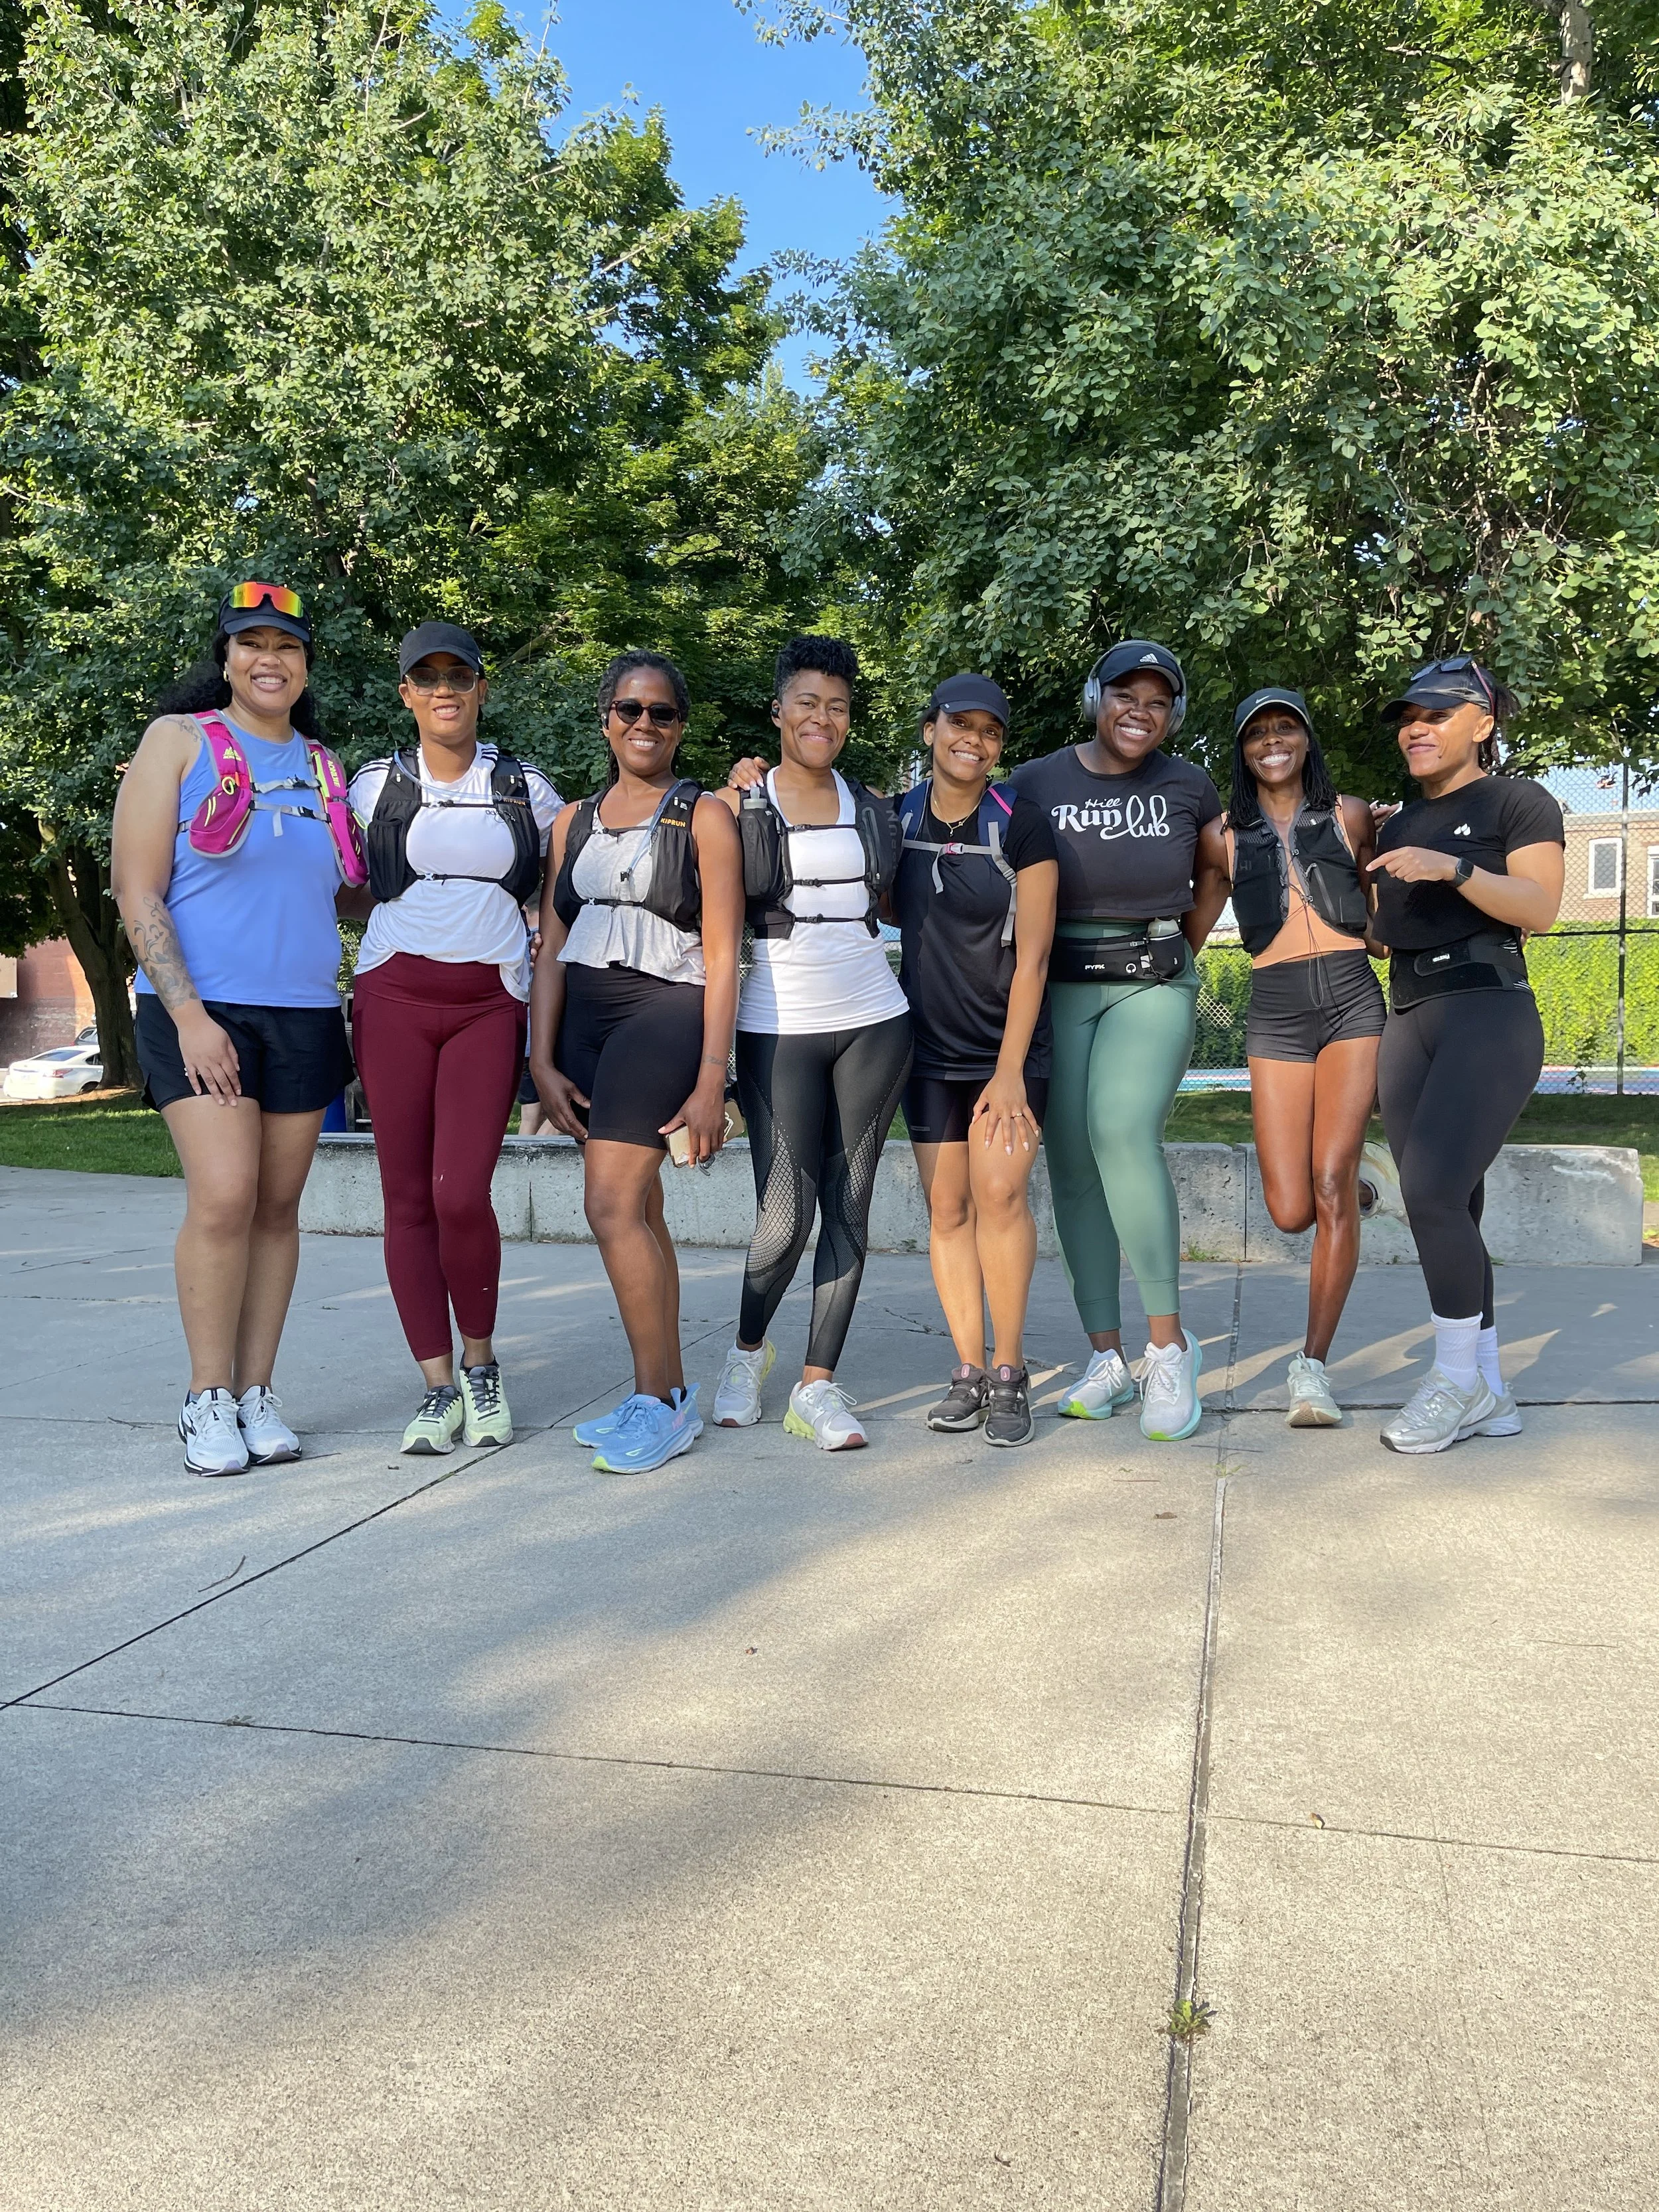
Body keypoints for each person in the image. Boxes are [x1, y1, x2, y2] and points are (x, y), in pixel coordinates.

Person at [111, 582, 360, 1476]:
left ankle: (258, 1393)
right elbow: (137, 889)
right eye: (251, 643)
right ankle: (205, 1397)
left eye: (287, 646)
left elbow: (349, 888)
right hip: (201, 1009)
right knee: (223, 1198)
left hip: (302, 1008)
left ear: (304, 665)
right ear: (223, 658)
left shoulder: (326, 767)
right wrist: (188, 1015)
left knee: (278, 1208)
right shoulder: (177, 742)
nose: (270, 659)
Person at [348, 623, 561, 1455]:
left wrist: (538, 927)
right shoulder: (369, 785)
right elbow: (340, 884)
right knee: (405, 1197)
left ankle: (481, 1365)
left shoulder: (525, 787)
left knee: (460, 1195)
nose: (444, 689)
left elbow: (557, 888)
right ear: (405, 693)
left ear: (480, 688)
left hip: (486, 1003)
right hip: (394, 994)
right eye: (426, 677)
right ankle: (436, 1386)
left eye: (459, 676)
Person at [1010, 640, 1231, 1441]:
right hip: (1059, 983)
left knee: (1119, 1131)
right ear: (1093, 696)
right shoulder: (1034, 782)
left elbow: (1218, 872)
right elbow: (963, 832)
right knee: (1068, 1161)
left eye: (1159, 701)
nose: (1141, 711)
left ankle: (1168, 1348)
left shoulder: (1187, 785)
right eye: (1125, 695)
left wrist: (1183, 953)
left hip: (1151, 978)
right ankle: (1106, 1357)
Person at [529, 650, 743, 1474]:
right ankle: (667, 1391)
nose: (643, 724)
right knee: (641, 1210)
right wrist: (540, 1061)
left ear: (680, 726)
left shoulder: (705, 817)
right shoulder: (571, 823)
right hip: (585, 1020)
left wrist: (711, 1079)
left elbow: (725, 955)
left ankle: (658, 1403)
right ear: (605, 719)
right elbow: (550, 946)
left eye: (661, 712)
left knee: (608, 1204)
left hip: (666, 1009)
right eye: (628, 709)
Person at [710, 635, 912, 1451]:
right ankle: (747, 1352)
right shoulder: (738, 807)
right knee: (783, 1216)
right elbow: (716, 933)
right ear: (778, 712)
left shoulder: (872, 806)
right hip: (777, 1025)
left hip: (874, 1019)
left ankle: (817, 1386)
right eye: (806, 703)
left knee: (850, 1206)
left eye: (835, 705)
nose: (820, 717)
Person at [1367, 656, 1564, 1453]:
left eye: (1436, 714)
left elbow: (1540, 907)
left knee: (1432, 1192)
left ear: (1482, 724)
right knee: (1454, 1206)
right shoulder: (1397, 823)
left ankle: (1453, 1382)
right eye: (1407, 717)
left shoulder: (1518, 800)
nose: (1415, 727)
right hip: (1408, 1014)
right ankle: (1487, 1385)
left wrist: (1452, 866)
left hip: (1486, 1011)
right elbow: (1388, 937)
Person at [893, 673, 1058, 1447]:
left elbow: (1032, 961)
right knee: (947, 1210)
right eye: (960, 723)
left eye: (991, 730)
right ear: (930, 730)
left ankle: (1009, 1371)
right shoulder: (891, 818)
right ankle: (965, 1372)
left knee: (999, 1198)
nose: (975, 739)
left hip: (1008, 1053)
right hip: (926, 1053)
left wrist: (1009, 1069)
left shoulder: (1021, 823)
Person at [1222, 687, 1384, 1427]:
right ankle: (1356, 1186)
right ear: (1242, 750)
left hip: (1353, 998)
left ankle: (1310, 1368)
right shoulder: (1220, 836)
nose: (1273, 741)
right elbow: (1187, 918)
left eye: (1286, 728)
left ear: (1307, 739)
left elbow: (1383, 921)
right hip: (1277, 1011)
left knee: (1326, 1182)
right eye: (1258, 733)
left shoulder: (1350, 815)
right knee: (1290, 1211)